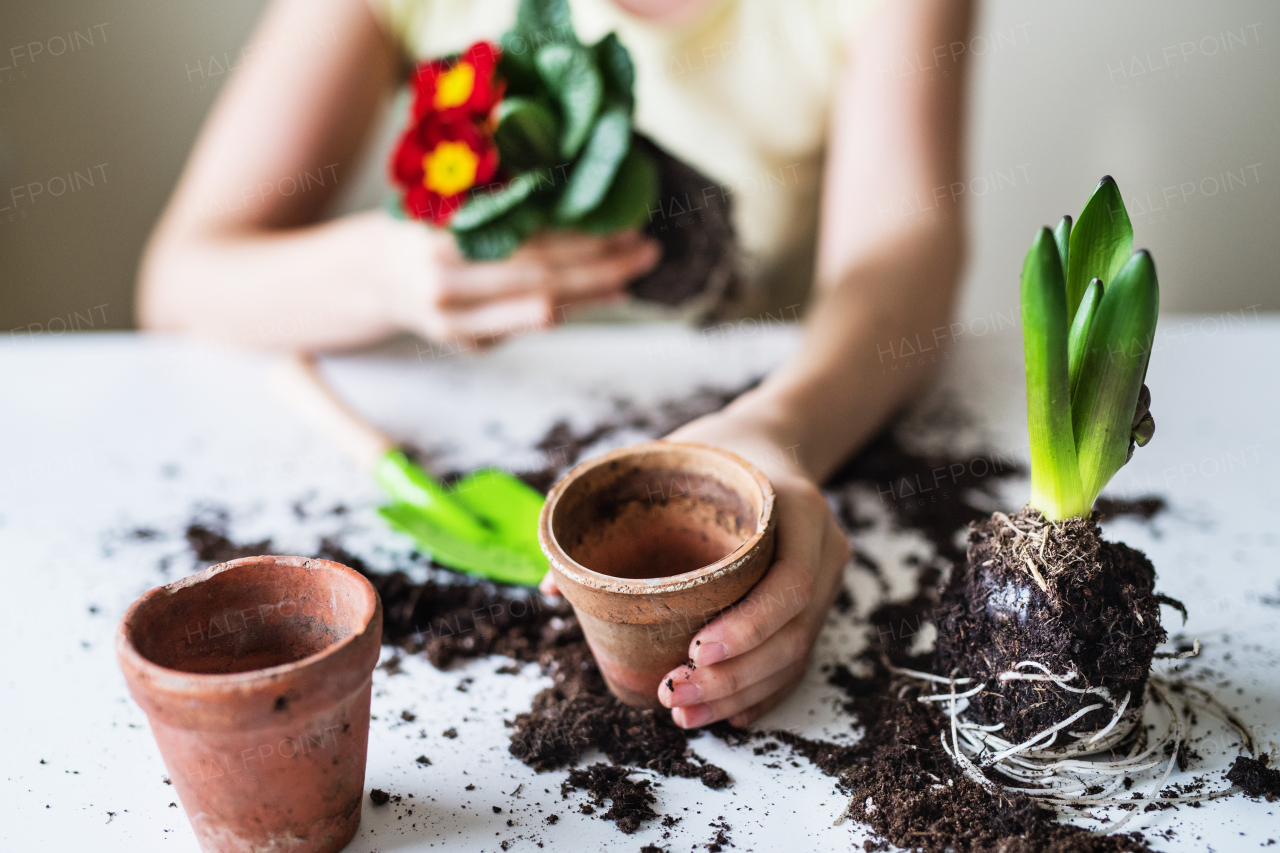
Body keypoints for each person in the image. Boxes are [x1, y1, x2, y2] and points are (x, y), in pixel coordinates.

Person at [138, 0, 973, 729]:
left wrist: (782, 421)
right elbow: (181, 281)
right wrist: (388, 271)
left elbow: (908, 253)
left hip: (772, 398)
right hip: (479, 411)